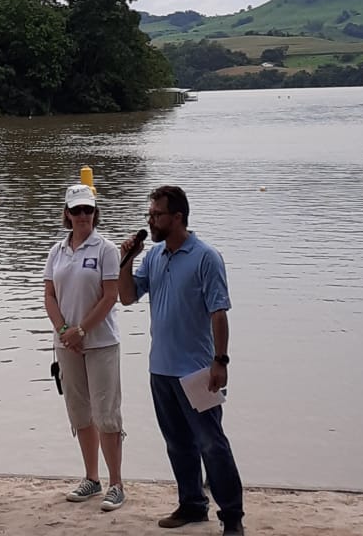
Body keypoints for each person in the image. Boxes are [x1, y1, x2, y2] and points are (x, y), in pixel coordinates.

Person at [119, 185, 244, 535]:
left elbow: (219, 311)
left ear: (177, 217)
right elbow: (127, 297)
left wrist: (221, 361)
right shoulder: (155, 257)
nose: (151, 220)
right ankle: (192, 505)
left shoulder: (206, 257)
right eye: (150, 214)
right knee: (177, 444)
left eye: (156, 215)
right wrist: (126, 260)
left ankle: (232, 518)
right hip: (160, 369)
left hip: (197, 371)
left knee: (212, 445)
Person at [43, 183, 126, 512]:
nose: (82, 216)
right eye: (76, 210)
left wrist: (81, 330)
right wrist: (64, 330)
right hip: (66, 344)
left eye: (87, 210)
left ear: (95, 212)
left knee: (107, 414)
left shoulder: (106, 249)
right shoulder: (56, 251)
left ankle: (116, 483)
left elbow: (110, 296)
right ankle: (92, 478)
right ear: (66, 213)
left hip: (101, 341)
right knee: (80, 412)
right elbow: (49, 295)